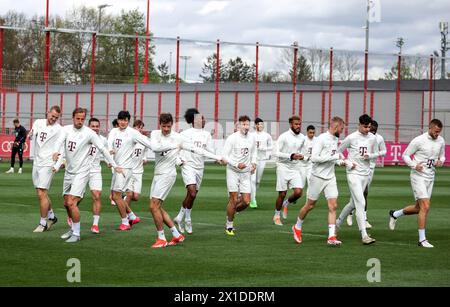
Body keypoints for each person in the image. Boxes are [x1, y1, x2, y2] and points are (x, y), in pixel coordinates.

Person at [149, 113, 222, 248]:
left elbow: (197, 149)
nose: (166, 129)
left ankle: (161, 238)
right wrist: (173, 146)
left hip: (167, 174)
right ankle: (177, 235)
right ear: (160, 125)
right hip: (157, 173)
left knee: (153, 206)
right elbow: (155, 148)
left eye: (169, 126)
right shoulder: (155, 134)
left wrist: (216, 157)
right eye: (164, 126)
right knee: (156, 207)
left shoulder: (178, 138)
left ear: (172, 125)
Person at [53, 108, 121, 243]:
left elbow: (102, 149)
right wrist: (55, 152)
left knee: (72, 202)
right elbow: (59, 142)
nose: (80, 121)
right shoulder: (65, 130)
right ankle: (72, 228)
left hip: (82, 172)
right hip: (69, 171)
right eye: (77, 118)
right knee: (66, 203)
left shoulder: (89, 133)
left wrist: (114, 164)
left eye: (82, 119)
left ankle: (77, 233)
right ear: (73, 118)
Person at [389, 119, 445, 248]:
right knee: (425, 206)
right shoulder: (418, 140)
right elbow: (405, 155)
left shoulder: (441, 140)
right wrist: (414, 165)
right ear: (430, 128)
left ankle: (395, 214)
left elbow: (442, 156)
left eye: (439, 132)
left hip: (430, 176)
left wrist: (440, 161)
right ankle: (422, 240)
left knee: (419, 208)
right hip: (418, 176)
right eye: (436, 131)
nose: (437, 134)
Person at [292, 116, 347, 246]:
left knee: (333, 206)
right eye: (341, 128)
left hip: (330, 177)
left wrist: (341, 162)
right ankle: (297, 227)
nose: (342, 130)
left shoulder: (336, 139)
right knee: (310, 205)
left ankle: (331, 237)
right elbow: (315, 158)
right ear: (335, 127)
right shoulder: (322, 139)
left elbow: (333, 157)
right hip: (317, 177)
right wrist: (334, 157)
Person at [335, 114, 379, 245]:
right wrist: (346, 161)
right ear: (359, 125)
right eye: (365, 127)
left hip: (366, 174)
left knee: (353, 204)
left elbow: (376, 153)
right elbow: (337, 151)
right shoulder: (351, 138)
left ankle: (337, 224)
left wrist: (370, 155)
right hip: (353, 173)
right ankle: (364, 235)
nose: (367, 129)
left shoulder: (373, 138)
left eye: (369, 127)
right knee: (361, 202)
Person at [108, 111, 154, 230]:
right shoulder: (114, 131)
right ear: (117, 121)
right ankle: (132, 216)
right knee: (114, 196)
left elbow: (147, 143)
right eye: (121, 120)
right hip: (117, 168)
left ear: (128, 121)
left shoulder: (133, 133)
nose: (123, 122)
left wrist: (160, 148)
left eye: (125, 120)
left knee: (117, 196)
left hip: (125, 169)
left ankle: (125, 222)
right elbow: (109, 143)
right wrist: (109, 152)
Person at [174, 108, 216, 234]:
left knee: (192, 195)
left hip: (200, 167)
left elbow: (210, 151)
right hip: (188, 166)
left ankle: (183, 218)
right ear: (194, 120)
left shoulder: (206, 135)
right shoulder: (184, 134)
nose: (204, 120)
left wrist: (217, 157)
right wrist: (179, 160)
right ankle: (186, 219)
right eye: (201, 118)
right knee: (192, 193)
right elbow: (176, 149)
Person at [346, 120, 386, 228]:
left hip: (370, 168)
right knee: (363, 192)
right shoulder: (357, 137)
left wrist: (372, 155)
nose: (371, 131)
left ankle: (352, 212)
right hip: (358, 167)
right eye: (370, 128)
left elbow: (384, 152)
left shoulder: (378, 138)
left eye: (374, 129)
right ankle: (361, 217)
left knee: (364, 192)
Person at [29, 105, 62, 232]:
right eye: (52, 116)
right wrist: (30, 134)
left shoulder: (59, 129)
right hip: (37, 162)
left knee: (42, 193)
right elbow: (32, 135)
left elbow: (61, 148)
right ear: (47, 113)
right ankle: (52, 216)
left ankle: (42, 223)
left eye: (56, 117)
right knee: (41, 193)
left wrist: (57, 164)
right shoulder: (38, 122)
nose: (53, 119)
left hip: (48, 163)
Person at [222, 115, 257, 236]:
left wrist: (254, 163)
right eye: (244, 124)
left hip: (246, 173)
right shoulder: (232, 138)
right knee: (233, 199)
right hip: (232, 171)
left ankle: (231, 212)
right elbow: (224, 157)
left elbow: (254, 152)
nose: (246, 127)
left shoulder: (252, 138)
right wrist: (236, 164)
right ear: (239, 125)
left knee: (246, 201)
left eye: (248, 124)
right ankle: (229, 225)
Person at [272, 116, 306, 226]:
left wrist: (303, 157)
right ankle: (276, 215)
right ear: (291, 124)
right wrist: (290, 155)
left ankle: (286, 203)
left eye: (299, 124)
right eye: (296, 124)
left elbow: (304, 152)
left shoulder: (302, 137)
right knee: (282, 194)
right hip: (283, 166)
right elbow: (275, 153)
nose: (298, 126)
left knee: (299, 192)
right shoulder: (284, 137)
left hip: (295, 167)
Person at [282, 124, 316, 219]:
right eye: (310, 132)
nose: (312, 134)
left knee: (311, 183)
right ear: (307, 132)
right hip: (301, 165)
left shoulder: (316, 141)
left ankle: (307, 204)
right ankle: (287, 202)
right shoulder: (302, 139)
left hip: (310, 165)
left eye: (313, 133)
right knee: (300, 187)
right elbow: (295, 149)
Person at [123, 119, 148, 225]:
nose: (139, 129)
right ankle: (127, 218)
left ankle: (121, 200)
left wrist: (145, 159)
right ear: (134, 127)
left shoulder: (145, 140)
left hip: (139, 171)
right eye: (137, 127)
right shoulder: (129, 138)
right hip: (129, 170)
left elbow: (145, 155)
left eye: (141, 127)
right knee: (129, 195)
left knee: (136, 197)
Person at [86, 117, 109, 234]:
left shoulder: (103, 140)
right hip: (82, 170)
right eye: (93, 126)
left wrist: (110, 161)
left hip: (95, 170)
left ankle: (95, 224)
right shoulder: (83, 137)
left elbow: (107, 153)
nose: (95, 128)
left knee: (96, 195)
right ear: (88, 127)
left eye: (97, 126)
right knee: (75, 199)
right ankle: (71, 214)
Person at [249, 118, 273, 209]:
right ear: (255, 125)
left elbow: (271, 146)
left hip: (262, 160)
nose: (261, 126)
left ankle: (253, 193)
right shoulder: (251, 135)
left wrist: (264, 148)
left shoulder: (267, 135)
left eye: (262, 124)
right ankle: (253, 200)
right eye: (259, 124)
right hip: (253, 160)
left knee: (257, 181)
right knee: (252, 180)